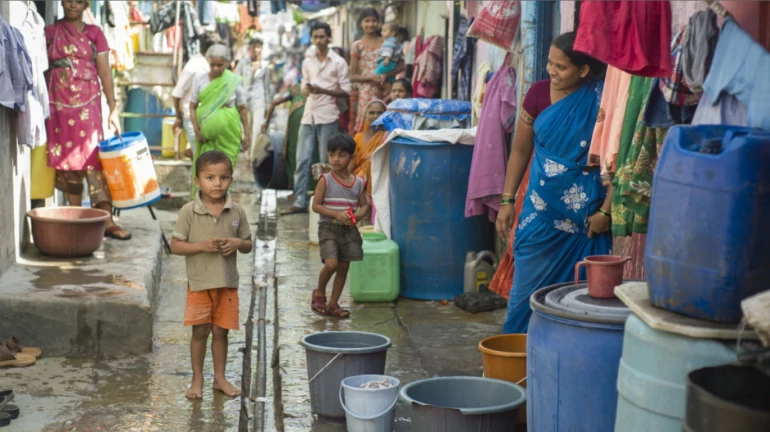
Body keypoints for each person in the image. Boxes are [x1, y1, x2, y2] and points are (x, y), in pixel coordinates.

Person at [495, 32, 611, 334]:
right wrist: (507, 200)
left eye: (561, 66)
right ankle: (513, 366)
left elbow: (615, 160)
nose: (551, 70)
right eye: (549, 62)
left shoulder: (602, 99)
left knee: (577, 305)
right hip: (540, 216)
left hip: (587, 222)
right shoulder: (537, 94)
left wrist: (607, 212)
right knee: (522, 300)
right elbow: (520, 151)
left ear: (583, 70)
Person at [170, 150, 253, 399]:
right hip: (199, 284)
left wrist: (236, 243)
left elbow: (248, 244)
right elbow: (175, 246)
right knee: (200, 332)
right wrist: (201, 246)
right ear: (197, 180)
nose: (217, 184)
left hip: (227, 284)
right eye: (210, 178)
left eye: (224, 177)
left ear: (231, 179)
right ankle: (197, 379)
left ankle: (219, 378)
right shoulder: (189, 211)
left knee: (221, 332)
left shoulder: (236, 211)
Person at [45, 0, 131, 240]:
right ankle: (76, 219)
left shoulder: (95, 33)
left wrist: (113, 108)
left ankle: (107, 220)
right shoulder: (51, 32)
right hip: (59, 105)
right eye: (69, 0)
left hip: (88, 105)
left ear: (86, 5)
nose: (73, 5)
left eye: (78, 1)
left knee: (93, 158)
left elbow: (105, 71)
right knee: (67, 161)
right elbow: (42, 68)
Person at [281, 22, 351, 215]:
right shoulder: (308, 61)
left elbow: (346, 90)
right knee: (302, 160)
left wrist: (323, 90)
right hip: (309, 113)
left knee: (325, 161)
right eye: (315, 37)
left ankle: (326, 202)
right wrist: (307, 89)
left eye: (322, 36)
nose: (319, 40)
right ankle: (300, 200)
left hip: (328, 114)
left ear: (329, 37)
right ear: (312, 38)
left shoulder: (338, 62)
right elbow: (304, 83)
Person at [310, 134, 369, 318]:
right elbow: (316, 206)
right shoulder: (325, 180)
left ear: (352, 157)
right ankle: (320, 292)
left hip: (349, 231)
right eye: (332, 154)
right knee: (332, 263)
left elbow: (364, 204)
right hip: (328, 228)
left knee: (343, 267)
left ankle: (333, 304)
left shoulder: (358, 183)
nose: (336, 159)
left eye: (341, 155)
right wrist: (337, 214)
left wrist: (358, 216)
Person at [189, 44, 250, 198]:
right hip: (205, 138)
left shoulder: (233, 81)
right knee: (205, 169)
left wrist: (246, 134)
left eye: (220, 65)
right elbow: (192, 106)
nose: (215, 68)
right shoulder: (199, 79)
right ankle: (202, 205)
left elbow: (242, 108)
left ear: (227, 63)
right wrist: (196, 130)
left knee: (225, 169)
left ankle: (222, 203)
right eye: (212, 64)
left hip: (229, 135)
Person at [349, 8, 403, 134]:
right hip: (367, 94)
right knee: (367, 127)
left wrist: (385, 75)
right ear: (361, 24)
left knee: (386, 127)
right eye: (367, 21)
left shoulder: (388, 42)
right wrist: (372, 78)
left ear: (379, 23)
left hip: (387, 91)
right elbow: (352, 76)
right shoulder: (358, 45)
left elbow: (402, 66)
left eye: (374, 21)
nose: (370, 24)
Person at [173, 32, 220, 159]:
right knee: (204, 162)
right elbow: (177, 94)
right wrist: (178, 119)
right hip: (193, 119)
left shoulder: (209, 65)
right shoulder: (194, 67)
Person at [235, 37, 271, 154]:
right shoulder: (242, 63)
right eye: (253, 47)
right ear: (249, 48)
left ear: (261, 49)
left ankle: (253, 158)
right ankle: (247, 155)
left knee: (257, 131)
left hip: (259, 101)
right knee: (246, 130)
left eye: (258, 47)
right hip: (244, 102)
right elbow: (236, 82)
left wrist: (268, 106)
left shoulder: (265, 66)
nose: (255, 50)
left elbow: (266, 87)